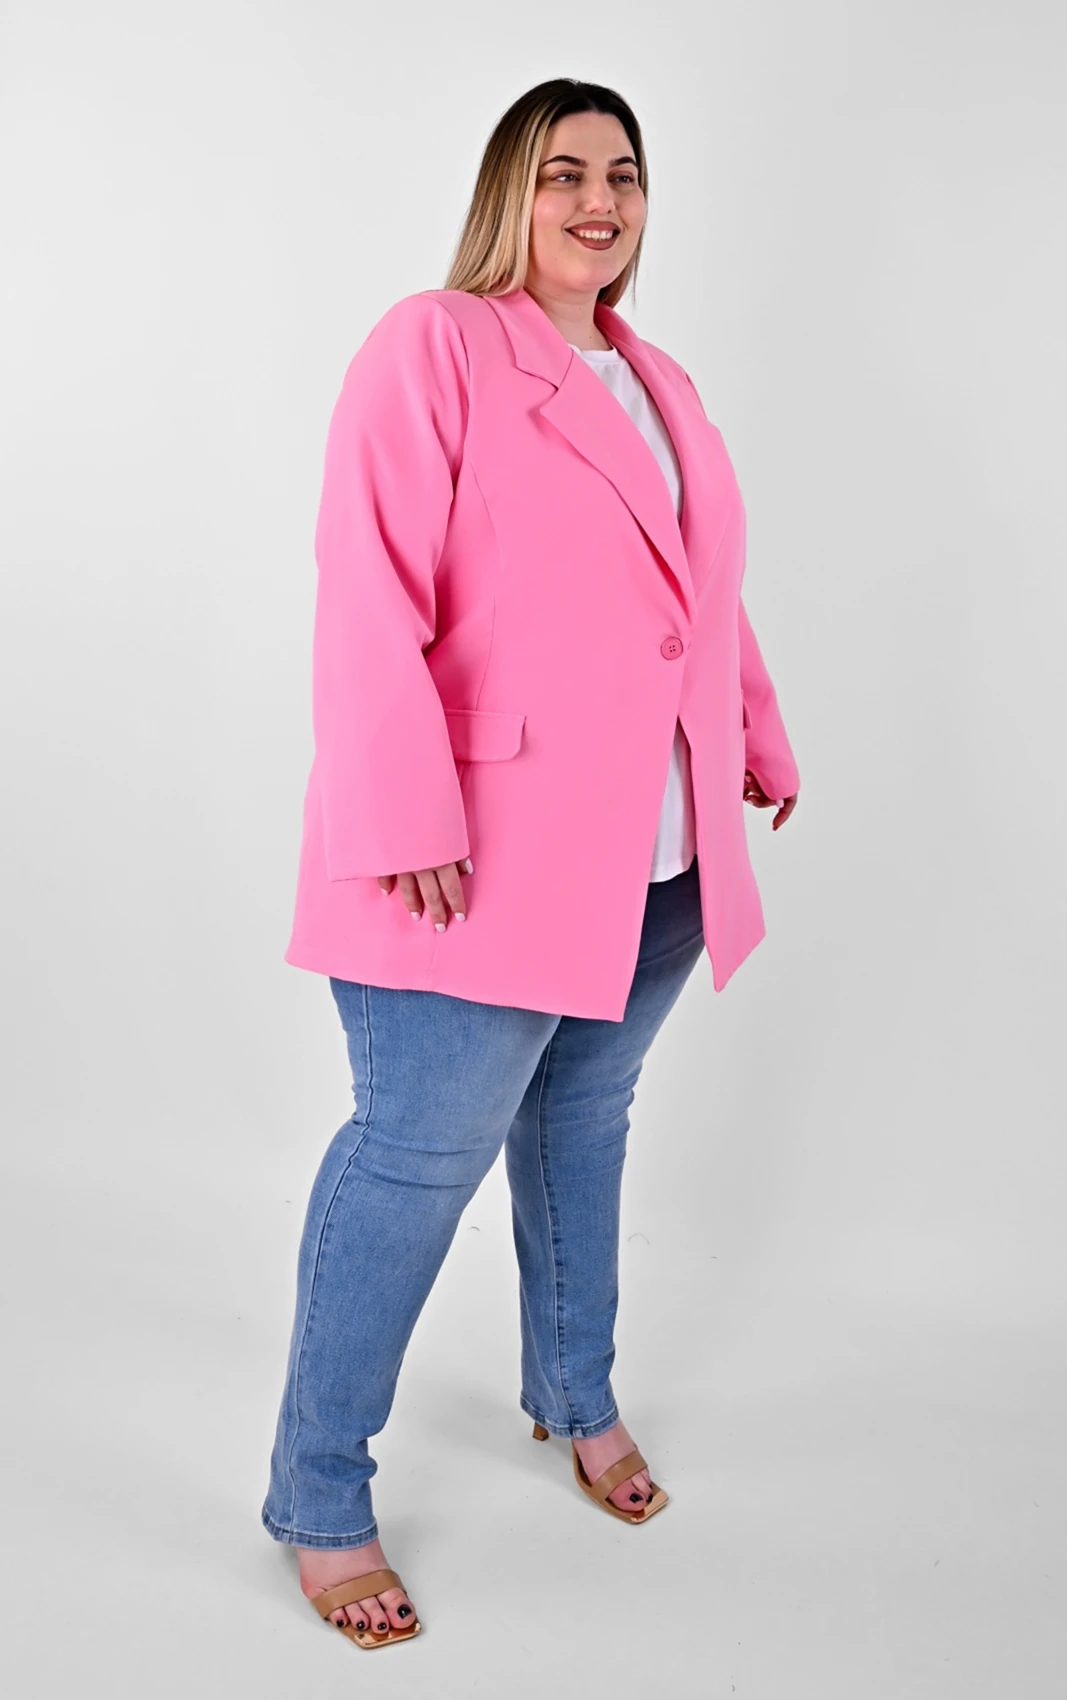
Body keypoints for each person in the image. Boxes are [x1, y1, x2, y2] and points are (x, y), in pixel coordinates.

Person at [260, 76, 800, 1651]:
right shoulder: (434, 343)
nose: (597, 201)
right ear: (511, 191)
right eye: (562, 172)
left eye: (621, 174)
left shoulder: (658, 378)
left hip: (656, 863)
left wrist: (753, 728)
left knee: (583, 1126)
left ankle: (575, 1393)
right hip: (475, 858)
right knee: (413, 1161)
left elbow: (699, 591)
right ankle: (316, 1496)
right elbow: (365, 585)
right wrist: (404, 813)